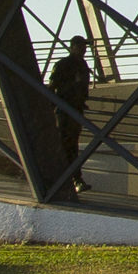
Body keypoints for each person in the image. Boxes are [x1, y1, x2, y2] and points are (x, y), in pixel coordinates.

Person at [46, 36, 93, 198]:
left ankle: (68, 178)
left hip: (75, 110)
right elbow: (52, 88)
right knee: (67, 143)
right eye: (80, 46)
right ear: (72, 47)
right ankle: (72, 178)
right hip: (65, 110)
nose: (84, 50)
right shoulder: (63, 65)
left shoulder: (82, 65)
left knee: (71, 143)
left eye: (84, 47)